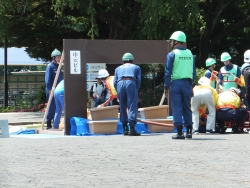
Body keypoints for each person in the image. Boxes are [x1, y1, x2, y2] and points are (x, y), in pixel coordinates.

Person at [164, 31, 196, 139]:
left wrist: (166, 85)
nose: (171, 42)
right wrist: (192, 85)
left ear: (177, 42)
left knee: (177, 107)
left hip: (176, 83)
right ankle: (189, 131)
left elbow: (168, 72)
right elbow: (193, 71)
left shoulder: (172, 54)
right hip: (187, 83)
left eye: (173, 41)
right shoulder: (190, 54)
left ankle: (179, 132)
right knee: (187, 107)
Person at [114, 53, 141, 136]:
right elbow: (139, 80)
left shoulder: (117, 68)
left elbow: (115, 82)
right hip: (131, 82)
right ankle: (132, 129)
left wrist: (118, 90)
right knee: (132, 105)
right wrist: (136, 89)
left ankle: (125, 128)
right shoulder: (136, 67)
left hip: (120, 83)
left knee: (122, 105)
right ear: (132, 60)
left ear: (123, 61)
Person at [45, 49, 63, 129]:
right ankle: (48, 123)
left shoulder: (59, 67)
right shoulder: (50, 66)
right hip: (52, 89)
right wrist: (49, 90)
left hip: (58, 89)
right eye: (58, 57)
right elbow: (47, 79)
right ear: (54, 58)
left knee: (57, 107)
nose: (59, 59)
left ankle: (55, 123)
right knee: (51, 106)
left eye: (60, 57)